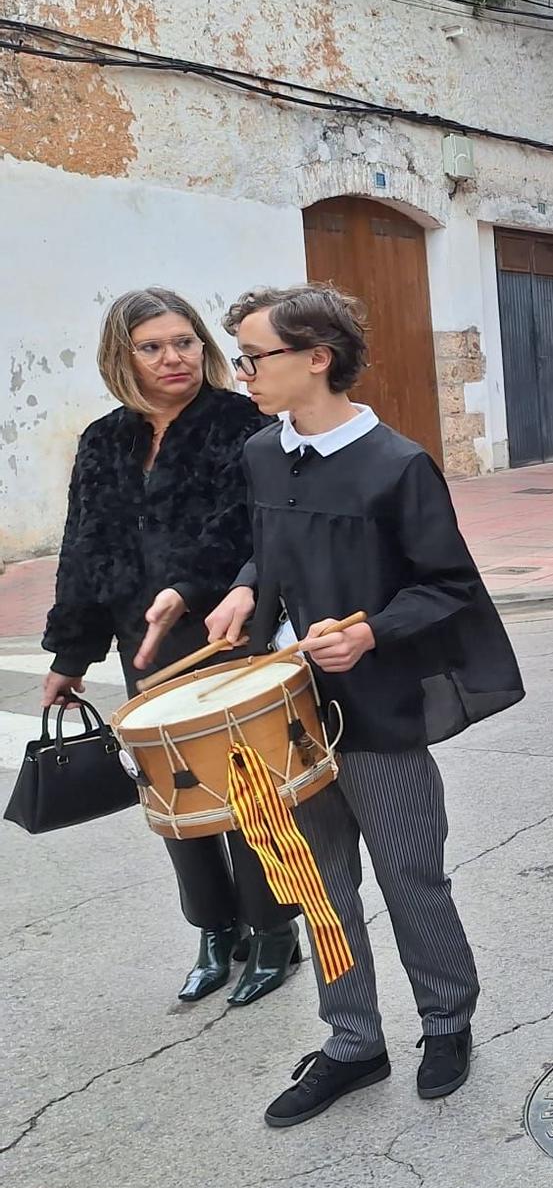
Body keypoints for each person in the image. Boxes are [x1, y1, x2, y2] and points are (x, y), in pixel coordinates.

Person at [205, 284, 524, 1129]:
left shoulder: (397, 464)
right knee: (318, 883)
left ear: (317, 358)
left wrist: (373, 634)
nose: (241, 373)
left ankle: (447, 1022)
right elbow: (264, 548)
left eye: (253, 356)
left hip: (378, 714)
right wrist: (245, 590)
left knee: (412, 876)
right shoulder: (262, 455)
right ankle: (352, 1041)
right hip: (285, 716)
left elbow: (450, 586)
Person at [40, 288, 299, 1005]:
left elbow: (252, 527)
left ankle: (276, 929)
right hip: (142, 644)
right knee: (175, 793)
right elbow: (83, 550)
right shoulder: (104, 439)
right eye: (151, 347)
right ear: (122, 357)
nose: (172, 358)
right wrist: (70, 657)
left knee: (247, 790)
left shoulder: (240, 423)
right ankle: (217, 930)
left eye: (183, 341)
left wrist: (190, 585)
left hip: (226, 633)